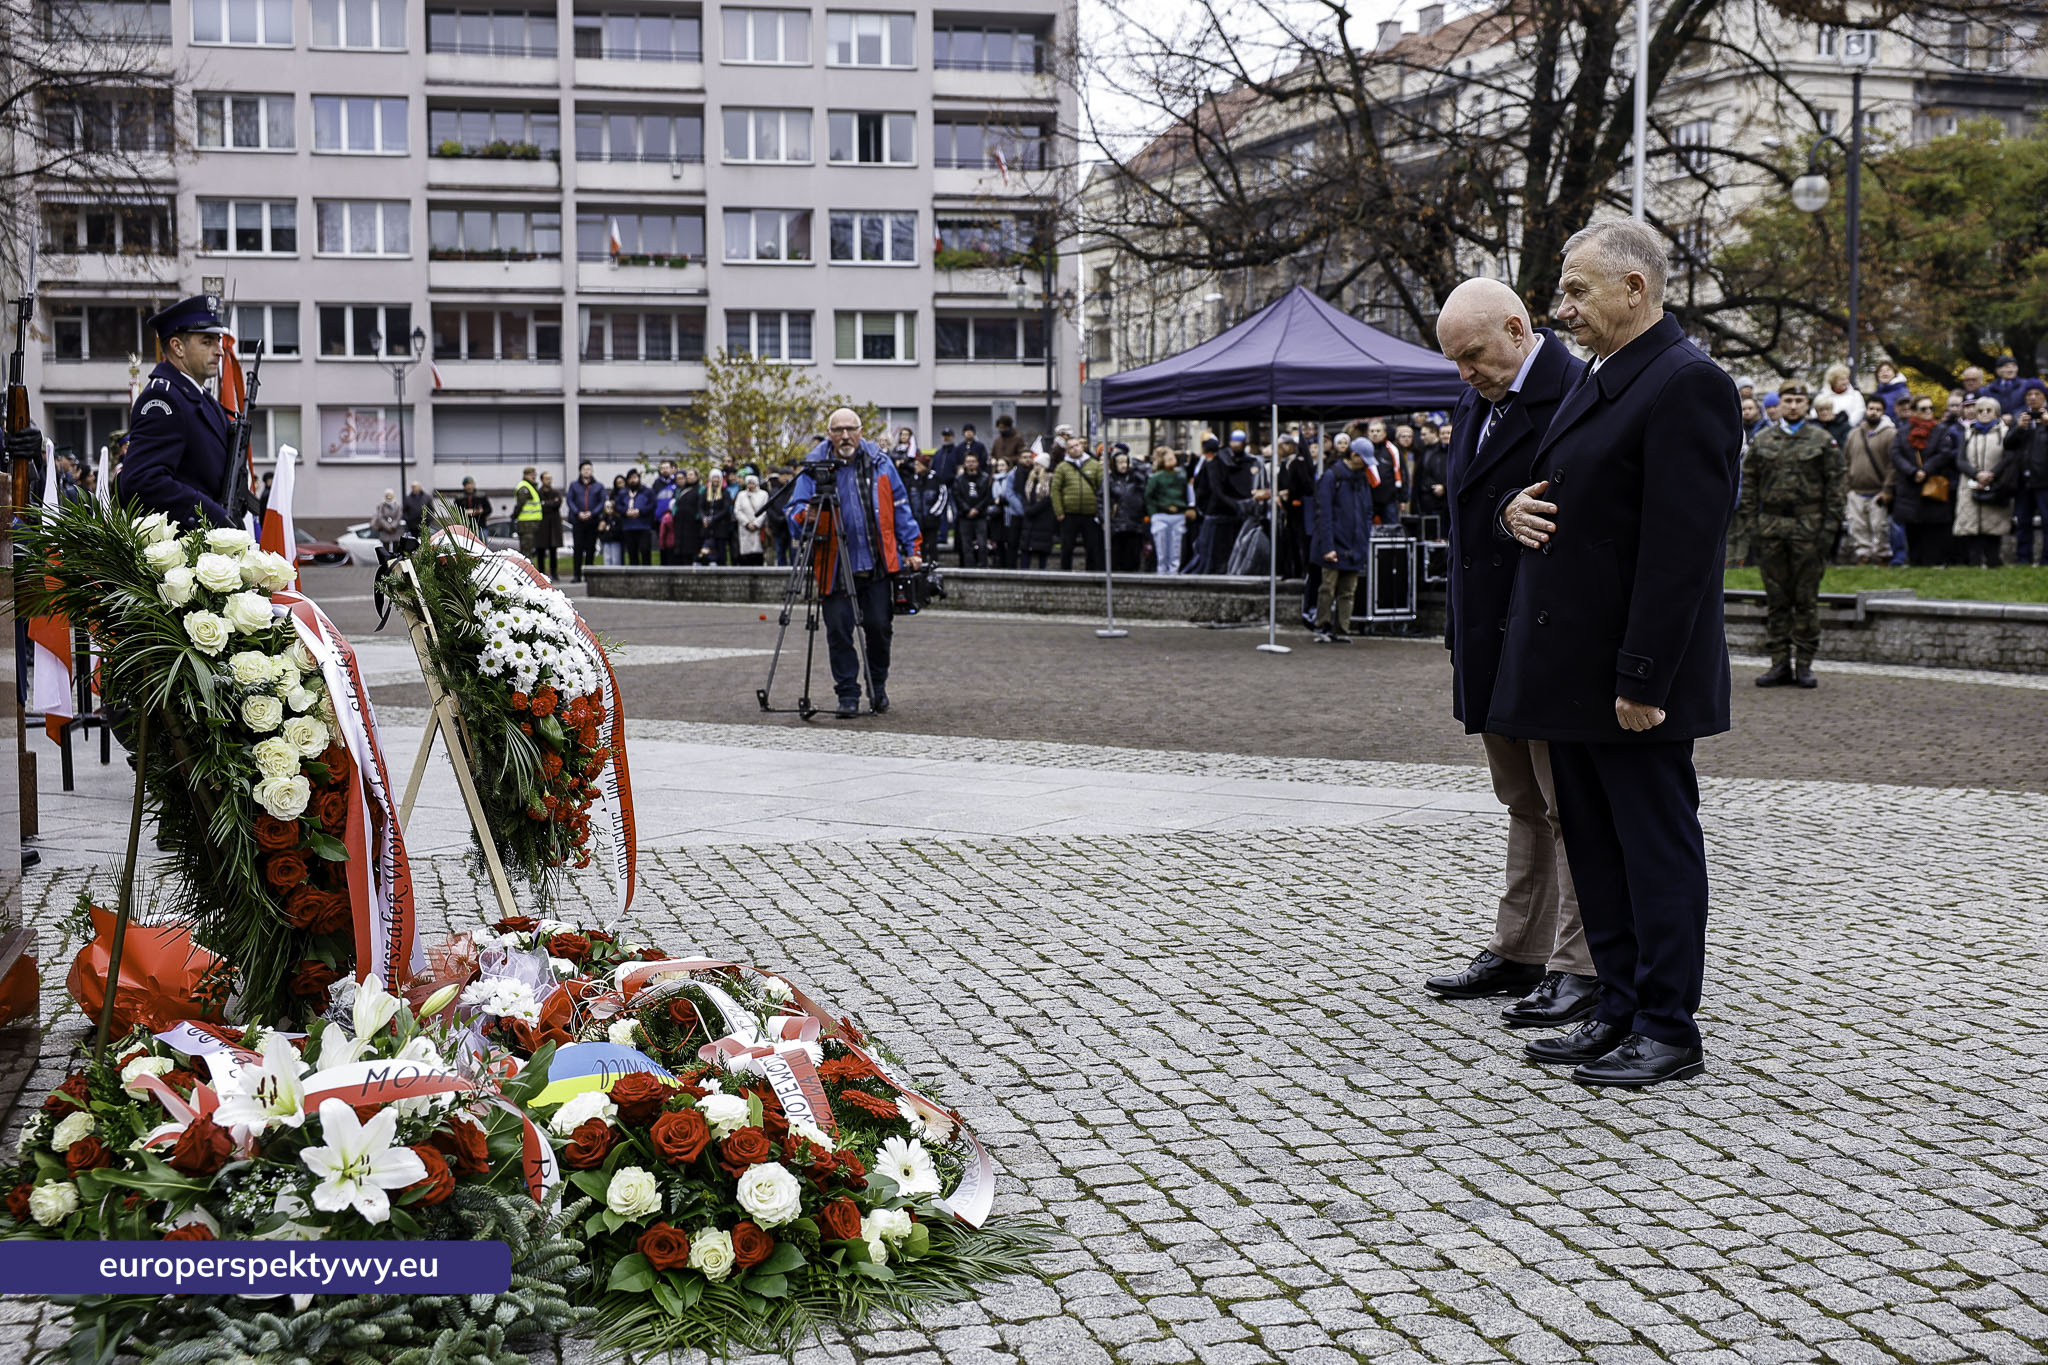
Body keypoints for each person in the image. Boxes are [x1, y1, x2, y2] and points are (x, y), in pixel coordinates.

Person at [1494, 219, 1741, 1089]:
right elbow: (1571, 495)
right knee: (1598, 852)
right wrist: (1511, 512)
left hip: (1632, 678)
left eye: (1577, 291)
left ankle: (1668, 1026)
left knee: (1653, 851)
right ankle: (1620, 1005)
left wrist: (1642, 676)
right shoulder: (1604, 375)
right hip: (1574, 676)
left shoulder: (1687, 382)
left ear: (1635, 289)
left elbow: (1681, 552)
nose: (1563, 309)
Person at [1429, 277, 1596, 1029]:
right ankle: (1521, 946)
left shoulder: (1576, 389)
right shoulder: (1479, 397)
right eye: (1456, 361)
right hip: (1487, 633)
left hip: (1545, 635)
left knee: (1568, 806)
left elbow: (1577, 507)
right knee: (1522, 800)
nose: (1465, 372)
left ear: (1517, 328)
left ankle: (1580, 963)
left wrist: (1505, 513)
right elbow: (1467, 516)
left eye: (1474, 354)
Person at [786, 409, 923, 718]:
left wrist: (912, 548)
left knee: (879, 628)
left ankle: (878, 687)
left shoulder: (880, 463)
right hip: (833, 566)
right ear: (829, 434)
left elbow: (900, 507)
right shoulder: (814, 467)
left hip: (875, 563)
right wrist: (804, 516)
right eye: (838, 430)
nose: (845, 436)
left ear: (861, 432)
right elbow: (794, 511)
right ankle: (847, 694)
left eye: (851, 429)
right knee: (838, 631)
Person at [1740, 382, 1844, 689]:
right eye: (1788, 400)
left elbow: (1836, 486)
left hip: (1809, 527)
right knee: (1776, 598)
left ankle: (1805, 663)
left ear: (1807, 404)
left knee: (1806, 598)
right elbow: (1749, 484)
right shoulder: (1763, 440)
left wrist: (1829, 529)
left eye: (1799, 400)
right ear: (1780, 403)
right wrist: (1752, 525)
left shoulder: (1821, 440)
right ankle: (1779, 663)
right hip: (1771, 527)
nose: (1794, 405)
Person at [109, 294, 240, 528]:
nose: (219, 351)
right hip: (185, 542)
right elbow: (143, 481)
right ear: (178, 347)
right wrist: (213, 515)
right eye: (207, 342)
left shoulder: (202, 399)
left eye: (218, 341)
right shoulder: (163, 399)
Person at [1309, 439, 1375, 644]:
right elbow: (1324, 514)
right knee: (1329, 588)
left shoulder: (1358, 478)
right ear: (1354, 456)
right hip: (1338, 543)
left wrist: (1363, 539)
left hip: (1353, 543)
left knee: (1346, 590)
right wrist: (1328, 546)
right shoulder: (1332, 477)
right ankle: (1323, 625)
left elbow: (1367, 511)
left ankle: (1341, 628)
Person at [1889, 396, 1960, 567]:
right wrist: (1912, 471)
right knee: (1912, 525)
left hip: (1932, 483)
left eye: (1930, 408)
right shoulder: (1903, 431)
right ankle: (1915, 560)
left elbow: (1944, 453)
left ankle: (1933, 560)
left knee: (1933, 526)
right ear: (1914, 411)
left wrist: (1925, 470)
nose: (1928, 412)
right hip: (1910, 484)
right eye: (1923, 409)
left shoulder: (1941, 430)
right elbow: (1896, 454)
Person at [1955, 397, 2015, 567]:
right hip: (1971, 484)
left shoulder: (2005, 433)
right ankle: (1974, 562)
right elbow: (1960, 460)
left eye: (1989, 410)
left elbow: (2009, 457)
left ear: (1996, 413)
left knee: (1994, 524)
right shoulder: (1968, 433)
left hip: (1995, 484)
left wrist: (1991, 474)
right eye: (1980, 411)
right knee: (1972, 525)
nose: (1984, 414)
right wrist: (1976, 474)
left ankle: (1994, 561)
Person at [1842, 398, 1896, 564]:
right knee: (1858, 528)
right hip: (1856, 491)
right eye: (1871, 408)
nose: (1874, 412)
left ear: (1883, 412)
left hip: (1878, 491)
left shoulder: (1890, 434)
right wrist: (1847, 488)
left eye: (1878, 409)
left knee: (1880, 528)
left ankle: (1882, 559)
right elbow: (1846, 461)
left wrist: (1887, 489)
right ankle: (1862, 558)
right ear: (1866, 410)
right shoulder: (1854, 434)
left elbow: (1892, 464)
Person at [2007, 388, 2048, 564]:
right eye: (2029, 395)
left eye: (2037, 394)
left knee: (2047, 521)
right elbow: (2007, 444)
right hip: (2023, 479)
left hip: (2044, 480)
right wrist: (2019, 428)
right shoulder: (2020, 417)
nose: (2033, 398)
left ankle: (2046, 559)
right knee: (2023, 521)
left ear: (2044, 397)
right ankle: (2023, 558)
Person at [1051, 440, 1103, 571]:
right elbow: (1055, 490)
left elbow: (1101, 488)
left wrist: (1100, 511)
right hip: (1069, 513)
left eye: (1077, 445)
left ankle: (1091, 574)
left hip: (1090, 513)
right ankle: (1066, 573)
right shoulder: (1062, 467)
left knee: (1092, 547)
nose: (1075, 449)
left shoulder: (1094, 465)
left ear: (1082, 447)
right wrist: (1059, 511)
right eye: (1071, 447)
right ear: (1067, 451)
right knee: (1067, 547)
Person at [904, 449, 951, 563]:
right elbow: (907, 498)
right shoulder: (912, 480)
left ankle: (934, 565)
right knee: (920, 546)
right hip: (917, 520)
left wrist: (933, 513)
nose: (915, 467)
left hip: (931, 520)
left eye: (918, 465)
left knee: (932, 545)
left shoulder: (936, 479)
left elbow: (943, 497)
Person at [1145, 448, 1188, 574]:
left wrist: (1184, 508)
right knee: (1161, 548)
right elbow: (1149, 496)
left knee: (1176, 547)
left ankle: (1174, 571)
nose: (1172, 461)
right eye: (1168, 459)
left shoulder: (1181, 475)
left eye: (1173, 458)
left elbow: (1185, 493)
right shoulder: (1156, 477)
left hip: (1178, 515)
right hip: (1160, 515)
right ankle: (1162, 572)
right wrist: (1153, 513)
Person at [1107, 450, 1149, 572]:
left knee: (1133, 556)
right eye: (1120, 462)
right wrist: (1105, 518)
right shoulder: (1110, 479)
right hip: (1117, 523)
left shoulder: (1136, 478)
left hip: (1134, 522)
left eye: (1125, 462)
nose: (1123, 465)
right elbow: (1102, 499)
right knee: (1117, 556)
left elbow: (1144, 492)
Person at [566, 461, 605, 579]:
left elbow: (602, 501)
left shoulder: (599, 486)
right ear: (580, 471)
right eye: (584, 469)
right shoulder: (574, 485)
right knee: (578, 548)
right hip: (578, 521)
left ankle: (589, 575)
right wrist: (578, 512)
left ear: (592, 471)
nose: (587, 471)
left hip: (593, 522)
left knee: (590, 548)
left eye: (589, 469)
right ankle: (576, 575)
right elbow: (570, 500)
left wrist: (593, 513)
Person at [1018, 449, 1056, 569]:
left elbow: (1048, 499)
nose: (1035, 467)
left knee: (1042, 551)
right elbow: (1025, 495)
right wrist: (1027, 508)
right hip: (1029, 519)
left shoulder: (1050, 480)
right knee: (1026, 549)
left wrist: (1033, 509)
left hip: (1043, 519)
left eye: (1038, 464)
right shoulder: (1031, 479)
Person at [953, 452, 992, 567]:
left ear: (977, 463)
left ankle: (983, 566)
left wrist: (977, 509)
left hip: (980, 515)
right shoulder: (959, 479)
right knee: (966, 545)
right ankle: (969, 567)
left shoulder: (985, 478)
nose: (971, 464)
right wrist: (967, 509)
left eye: (973, 461)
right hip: (964, 516)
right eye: (968, 461)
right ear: (964, 463)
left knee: (982, 543)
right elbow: (957, 496)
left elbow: (987, 496)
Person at [699, 468, 735, 564]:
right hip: (708, 528)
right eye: (714, 477)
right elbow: (701, 507)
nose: (715, 480)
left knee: (721, 551)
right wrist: (704, 518)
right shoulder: (705, 492)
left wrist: (713, 518)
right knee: (707, 550)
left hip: (720, 527)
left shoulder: (725, 492)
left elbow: (725, 509)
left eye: (717, 477)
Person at [620, 468, 654, 565]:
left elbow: (652, 505)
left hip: (644, 526)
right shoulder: (623, 493)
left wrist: (640, 511)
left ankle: (647, 571)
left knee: (645, 550)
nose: (633, 480)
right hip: (628, 527)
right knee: (632, 553)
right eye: (630, 478)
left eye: (635, 477)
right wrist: (626, 512)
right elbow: (618, 506)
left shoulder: (647, 491)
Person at [734, 474, 770, 565]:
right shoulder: (741, 495)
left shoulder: (763, 494)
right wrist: (746, 523)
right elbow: (737, 510)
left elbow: (765, 511)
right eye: (749, 483)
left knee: (758, 554)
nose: (750, 485)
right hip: (745, 528)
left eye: (752, 483)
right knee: (746, 556)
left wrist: (756, 523)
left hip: (758, 528)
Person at [511, 465, 543, 559]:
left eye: (535, 474)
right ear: (526, 475)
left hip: (531, 524)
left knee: (529, 550)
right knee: (526, 551)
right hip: (526, 524)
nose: (534, 476)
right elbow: (520, 504)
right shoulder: (524, 487)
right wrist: (514, 515)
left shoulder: (531, 486)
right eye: (531, 474)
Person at [598, 475, 626, 565]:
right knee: (607, 559)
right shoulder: (603, 518)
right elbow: (600, 530)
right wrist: (601, 530)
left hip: (616, 540)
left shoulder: (617, 518)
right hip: (606, 541)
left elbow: (618, 529)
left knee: (616, 559)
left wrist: (610, 529)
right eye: (607, 507)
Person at [371, 488, 404, 553]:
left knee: (396, 548)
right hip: (385, 530)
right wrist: (387, 527)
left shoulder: (398, 506)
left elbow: (399, 517)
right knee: (385, 549)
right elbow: (380, 517)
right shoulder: (382, 506)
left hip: (396, 530)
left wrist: (393, 526)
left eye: (390, 495)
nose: (389, 497)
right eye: (387, 495)